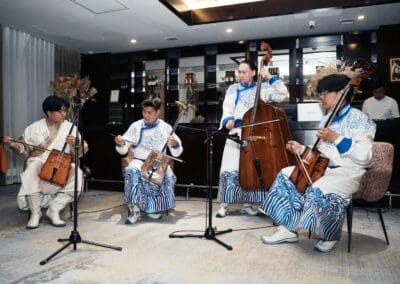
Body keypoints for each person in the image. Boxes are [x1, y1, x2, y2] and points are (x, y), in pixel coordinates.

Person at [259, 74, 376, 252]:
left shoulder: (359, 118)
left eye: (324, 93)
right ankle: (287, 228)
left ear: (339, 94)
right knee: (286, 174)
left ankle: (329, 234)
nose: (321, 98)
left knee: (319, 187)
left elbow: (365, 157)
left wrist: (336, 137)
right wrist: (301, 149)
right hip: (326, 168)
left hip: (350, 172)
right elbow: (322, 153)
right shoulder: (327, 118)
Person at [216, 59, 289, 217]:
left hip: (255, 133)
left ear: (254, 72)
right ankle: (224, 204)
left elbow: (282, 94)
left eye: (243, 72)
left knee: (250, 168)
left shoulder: (262, 88)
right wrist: (228, 120)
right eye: (239, 72)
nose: (239, 75)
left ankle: (247, 204)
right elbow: (227, 108)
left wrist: (270, 76)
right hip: (237, 130)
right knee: (231, 167)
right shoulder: (233, 89)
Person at [2, 96, 87, 229]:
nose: (64, 114)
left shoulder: (70, 127)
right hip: (40, 162)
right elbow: (23, 148)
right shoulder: (34, 127)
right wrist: (12, 143)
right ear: (49, 112)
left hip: (61, 165)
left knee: (77, 172)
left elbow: (83, 149)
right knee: (32, 165)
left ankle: (54, 209)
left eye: (65, 111)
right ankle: (35, 213)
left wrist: (75, 143)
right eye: (60, 111)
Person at [115, 97, 183, 224]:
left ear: (157, 112)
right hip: (139, 160)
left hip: (157, 161)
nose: (145, 115)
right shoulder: (135, 126)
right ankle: (134, 209)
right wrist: (120, 142)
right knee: (131, 170)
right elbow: (123, 148)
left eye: (149, 112)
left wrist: (174, 144)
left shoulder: (166, 127)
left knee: (166, 174)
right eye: (144, 112)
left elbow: (177, 151)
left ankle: (152, 208)